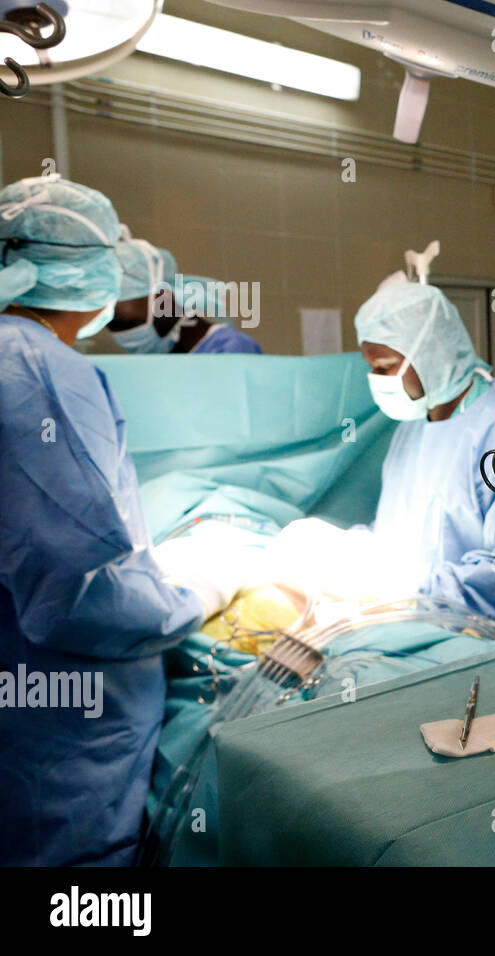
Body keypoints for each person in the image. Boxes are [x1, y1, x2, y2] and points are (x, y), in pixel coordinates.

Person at [0, 175, 238, 865]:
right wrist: (194, 596)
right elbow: (78, 597)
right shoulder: (39, 371)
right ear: (88, 269)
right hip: (64, 721)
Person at [356, 281, 495, 640]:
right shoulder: (413, 426)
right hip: (407, 634)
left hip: (481, 651)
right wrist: (351, 553)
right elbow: (399, 526)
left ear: (429, 355)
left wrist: (411, 591)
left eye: (386, 367)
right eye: (372, 368)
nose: (376, 381)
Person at [107, 230, 262, 354]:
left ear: (164, 300)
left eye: (128, 323)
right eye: (110, 325)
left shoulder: (231, 350)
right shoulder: (165, 361)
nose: (123, 335)